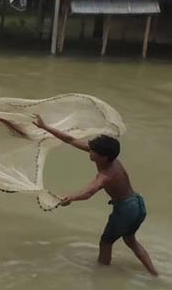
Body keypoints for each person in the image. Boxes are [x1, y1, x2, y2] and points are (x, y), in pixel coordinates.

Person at [33, 115, 157, 276]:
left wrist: (70, 198)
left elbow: (89, 192)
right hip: (138, 204)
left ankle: (101, 273)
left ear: (103, 156)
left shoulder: (106, 175)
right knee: (131, 241)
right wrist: (45, 126)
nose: (89, 151)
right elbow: (69, 139)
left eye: (93, 151)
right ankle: (154, 274)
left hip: (125, 209)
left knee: (105, 242)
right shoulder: (111, 159)